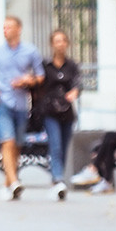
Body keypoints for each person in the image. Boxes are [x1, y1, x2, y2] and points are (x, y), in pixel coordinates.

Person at [0, 15, 44, 201]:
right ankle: (14, 182)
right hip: (2, 101)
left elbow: (40, 76)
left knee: (17, 145)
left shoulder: (30, 51)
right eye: (4, 28)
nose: (6, 30)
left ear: (18, 29)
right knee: (8, 141)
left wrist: (28, 80)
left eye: (9, 27)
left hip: (21, 103)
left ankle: (8, 184)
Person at [35, 28, 81, 200]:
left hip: (67, 112)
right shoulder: (45, 65)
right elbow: (38, 83)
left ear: (67, 44)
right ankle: (58, 179)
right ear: (52, 44)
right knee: (55, 145)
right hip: (49, 111)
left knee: (63, 146)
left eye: (63, 40)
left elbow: (78, 83)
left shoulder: (72, 65)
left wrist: (75, 92)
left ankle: (57, 179)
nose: (60, 44)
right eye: (57, 41)